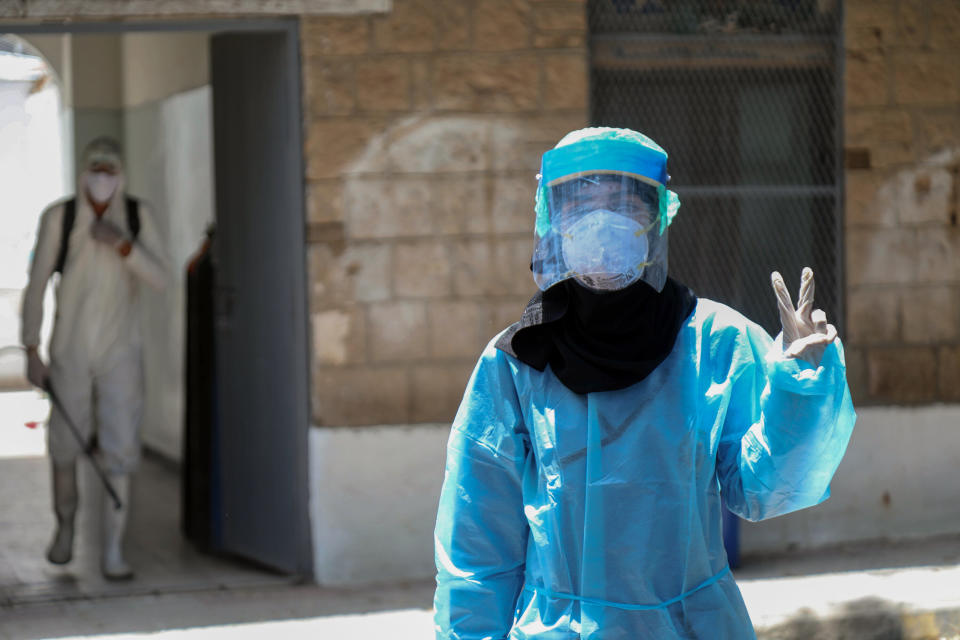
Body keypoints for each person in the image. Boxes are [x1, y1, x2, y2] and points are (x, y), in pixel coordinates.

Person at [433, 127, 856, 638]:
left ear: (655, 216)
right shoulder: (518, 360)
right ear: (552, 221)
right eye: (580, 202)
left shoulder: (713, 341)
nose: (600, 219)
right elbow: (477, 551)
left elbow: (767, 490)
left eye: (621, 201)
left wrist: (802, 387)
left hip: (691, 626)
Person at [22, 136, 167, 580]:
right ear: (84, 172)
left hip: (120, 352)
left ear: (121, 175)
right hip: (69, 352)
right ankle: (65, 527)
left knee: (120, 447)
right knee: (64, 445)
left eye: (110, 171)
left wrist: (124, 246)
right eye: (95, 170)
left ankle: (114, 551)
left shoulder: (137, 217)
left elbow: (161, 277)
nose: (102, 178)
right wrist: (31, 347)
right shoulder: (61, 218)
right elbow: (37, 284)